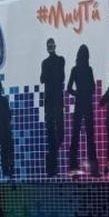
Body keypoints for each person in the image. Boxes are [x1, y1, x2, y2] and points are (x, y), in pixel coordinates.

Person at [66, 44, 100, 177]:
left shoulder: (75, 69)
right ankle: (93, 170)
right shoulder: (88, 69)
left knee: (76, 136)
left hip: (80, 103)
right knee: (89, 137)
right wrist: (83, 93)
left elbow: (69, 88)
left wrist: (77, 93)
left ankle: (73, 168)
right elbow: (92, 87)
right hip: (86, 104)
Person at [40, 38, 66, 177]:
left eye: (51, 45)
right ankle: (52, 166)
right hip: (50, 104)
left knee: (59, 134)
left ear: (54, 46)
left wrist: (49, 75)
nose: (50, 47)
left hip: (55, 102)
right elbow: (43, 78)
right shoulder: (46, 62)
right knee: (51, 135)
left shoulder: (59, 60)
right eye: (48, 45)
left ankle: (52, 161)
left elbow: (60, 77)